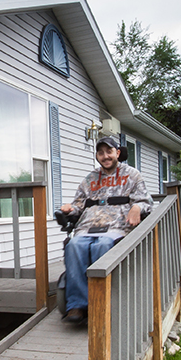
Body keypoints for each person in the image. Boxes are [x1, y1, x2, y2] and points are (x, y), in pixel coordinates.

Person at [60, 135, 153, 323]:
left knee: (101, 246)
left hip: (117, 226)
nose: (105, 156)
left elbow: (145, 201)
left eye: (109, 152)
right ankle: (77, 305)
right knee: (74, 245)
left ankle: (101, 302)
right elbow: (79, 204)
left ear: (117, 153)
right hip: (87, 227)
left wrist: (136, 207)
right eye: (101, 153)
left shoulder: (132, 174)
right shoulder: (90, 178)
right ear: (97, 156)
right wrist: (71, 208)